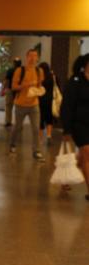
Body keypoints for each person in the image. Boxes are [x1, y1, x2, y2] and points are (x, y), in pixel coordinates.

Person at [61, 54, 89, 201]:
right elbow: (67, 106)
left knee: (84, 156)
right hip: (79, 124)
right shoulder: (75, 81)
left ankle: (65, 178)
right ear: (85, 65)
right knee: (86, 151)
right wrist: (66, 129)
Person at [9, 49, 45, 161]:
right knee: (18, 127)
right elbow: (14, 87)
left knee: (35, 128)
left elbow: (39, 86)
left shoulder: (40, 71)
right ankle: (13, 144)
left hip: (34, 104)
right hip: (20, 104)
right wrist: (26, 85)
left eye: (35, 56)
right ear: (26, 57)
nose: (33, 58)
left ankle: (37, 151)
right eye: (30, 56)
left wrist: (39, 89)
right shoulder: (20, 71)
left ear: (38, 58)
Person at [38, 62, 54, 145]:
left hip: (41, 100)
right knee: (49, 119)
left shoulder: (40, 77)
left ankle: (40, 139)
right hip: (50, 101)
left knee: (40, 119)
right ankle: (48, 135)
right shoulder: (53, 77)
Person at [4, 57, 22, 127]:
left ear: (14, 63)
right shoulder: (22, 70)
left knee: (8, 106)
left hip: (10, 90)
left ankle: (8, 121)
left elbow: (7, 81)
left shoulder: (10, 70)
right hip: (19, 91)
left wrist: (3, 88)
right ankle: (18, 122)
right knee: (19, 107)